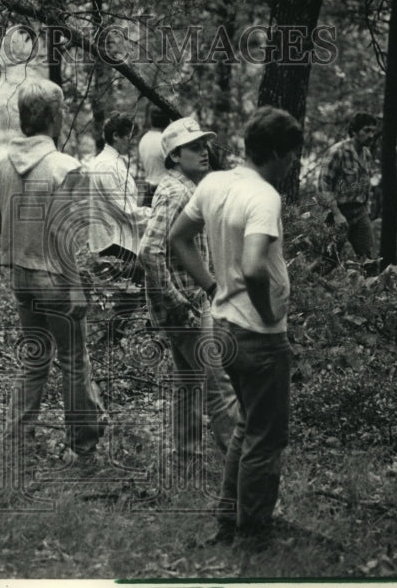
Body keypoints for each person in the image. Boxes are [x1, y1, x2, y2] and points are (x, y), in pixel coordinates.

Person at [170, 106, 303, 547]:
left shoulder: (214, 183)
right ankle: (254, 536)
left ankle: (229, 523)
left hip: (223, 326)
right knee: (266, 440)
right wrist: (269, 317)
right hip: (257, 335)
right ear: (280, 154)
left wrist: (211, 287)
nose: (291, 165)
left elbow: (178, 238)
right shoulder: (264, 196)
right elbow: (253, 268)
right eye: (291, 156)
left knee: (247, 426)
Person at [0, 78, 106, 460]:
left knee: (35, 357)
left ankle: (15, 438)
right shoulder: (67, 168)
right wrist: (75, 287)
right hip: (55, 277)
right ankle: (84, 444)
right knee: (74, 358)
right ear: (56, 117)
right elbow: (67, 234)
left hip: (19, 274)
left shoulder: (2, 165)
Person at [138, 117, 239, 468]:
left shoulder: (182, 187)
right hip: (187, 308)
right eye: (194, 147)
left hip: (187, 305)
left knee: (189, 381)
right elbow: (148, 251)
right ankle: (242, 465)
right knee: (220, 386)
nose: (204, 152)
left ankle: (188, 456)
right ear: (175, 156)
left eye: (204, 145)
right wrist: (178, 304)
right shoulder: (177, 191)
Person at [87, 113, 151, 332]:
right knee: (127, 299)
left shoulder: (110, 162)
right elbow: (126, 210)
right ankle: (111, 342)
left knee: (127, 296)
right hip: (114, 240)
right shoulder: (106, 166)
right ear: (116, 136)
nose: (131, 143)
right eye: (128, 138)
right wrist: (157, 213)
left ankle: (117, 340)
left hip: (116, 237)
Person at [315, 112, 377, 261]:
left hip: (359, 212)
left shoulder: (366, 154)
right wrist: (336, 214)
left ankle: (367, 285)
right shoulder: (337, 152)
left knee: (369, 259)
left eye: (373, 131)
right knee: (329, 261)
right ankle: (306, 282)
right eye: (366, 130)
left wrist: (366, 210)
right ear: (354, 131)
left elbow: (365, 185)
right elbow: (323, 187)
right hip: (337, 212)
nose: (371, 135)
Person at [138, 107, 174, 207]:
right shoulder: (164, 141)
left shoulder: (144, 139)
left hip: (148, 189)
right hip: (164, 190)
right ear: (167, 121)